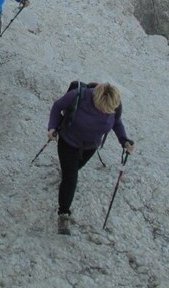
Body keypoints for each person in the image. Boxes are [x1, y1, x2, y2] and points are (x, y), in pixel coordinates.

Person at [47, 82, 135, 235]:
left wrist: (124, 140)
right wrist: (52, 127)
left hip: (91, 146)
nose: (105, 113)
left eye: (109, 111)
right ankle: (63, 214)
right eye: (102, 109)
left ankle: (66, 177)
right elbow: (57, 106)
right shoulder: (79, 96)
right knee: (71, 178)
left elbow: (117, 122)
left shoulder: (115, 104)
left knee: (74, 169)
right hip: (68, 141)